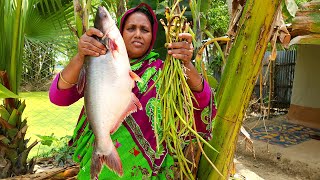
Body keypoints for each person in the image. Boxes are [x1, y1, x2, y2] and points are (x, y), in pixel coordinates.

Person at [49, 3, 216, 179]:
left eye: (144, 30)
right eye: (131, 28)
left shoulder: (163, 73)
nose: (137, 34)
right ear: (120, 34)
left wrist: (186, 63)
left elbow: (204, 105)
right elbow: (58, 96)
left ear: (152, 37)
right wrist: (80, 56)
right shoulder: (98, 63)